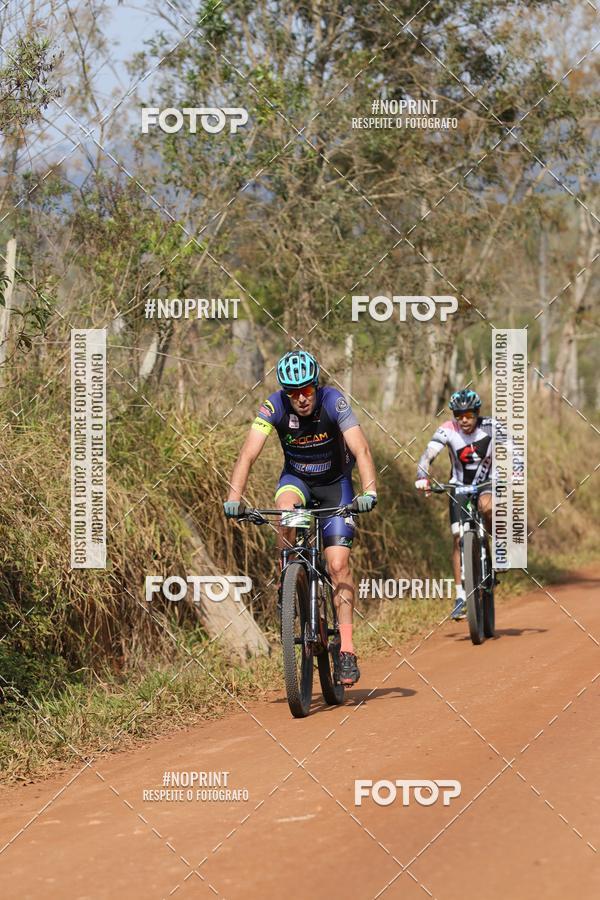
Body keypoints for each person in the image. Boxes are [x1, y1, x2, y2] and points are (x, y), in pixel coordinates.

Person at [223, 349, 377, 685]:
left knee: (337, 565)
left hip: (336, 488)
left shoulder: (334, 402)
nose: (302, 398)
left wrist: (369, 492)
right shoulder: (273, 406)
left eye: (306, 390)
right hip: (297, 482)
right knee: (287, 513)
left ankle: (347, 650)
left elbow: (361, 449)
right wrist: (234, 498)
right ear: (284, 392)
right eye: (294, 393)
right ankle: (288, 578)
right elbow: (248, 454)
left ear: (315, 386)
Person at [415, 388, 493, 620]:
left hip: (487, 483)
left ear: (477, 413)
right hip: (458, 486)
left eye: (468, 415)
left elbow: (513, 450)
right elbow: (428, 455)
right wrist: (422, 476)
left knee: (487, 506)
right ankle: (461, 595)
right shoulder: (448, 429)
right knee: (458, 538)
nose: (464, 420)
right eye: (459, 415)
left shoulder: (490, 426)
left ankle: (499, 548)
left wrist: (517, 471)